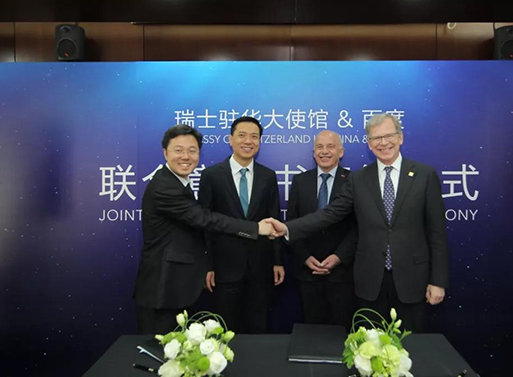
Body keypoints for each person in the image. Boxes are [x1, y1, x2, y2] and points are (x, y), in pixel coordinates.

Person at [269, 114, 449, 333]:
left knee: (410, 346)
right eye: (376, 138)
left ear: (400, 138)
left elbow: (437, 233)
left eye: (389, 136)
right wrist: (288, 228)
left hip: (412, 280)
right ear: (369, 144)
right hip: (370, 281)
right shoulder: (359, 179)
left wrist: (437, 281)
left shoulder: (424, 175)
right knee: (369, 346)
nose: (383, 143)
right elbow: (330, 213)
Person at [133, 124, 274, 334]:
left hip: (176, 287)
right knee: (161, 351)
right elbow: (205, 219)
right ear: (165, 153)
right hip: (163, 289)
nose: (186, 157)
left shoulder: (178, 182)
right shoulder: (165, 187)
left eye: (192, 151)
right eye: (178, 150)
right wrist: (255, 228)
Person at [198, 116, 285, 333]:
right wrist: (207, 265)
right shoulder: (211, 175)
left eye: (254, 136)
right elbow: (204, 223)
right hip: (224, 268)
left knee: (259, 327)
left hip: (260, 266)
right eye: (242, 135)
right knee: (225, 330)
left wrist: (277, 261)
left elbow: (274, 219)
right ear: (230, 139)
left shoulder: (268, 176)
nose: (248, 141)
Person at [287, 130, 358, 328]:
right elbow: (292, 222)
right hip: (307, 272)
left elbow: (358, 226)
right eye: (319, 147)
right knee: (311, 330)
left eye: (330, 147)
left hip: (343, 272)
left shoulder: (354, 181)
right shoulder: (300, 181)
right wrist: (305, 257)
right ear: (313, 152)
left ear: (341, 152)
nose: (324, 151)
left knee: (341, 331)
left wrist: (339, 257)